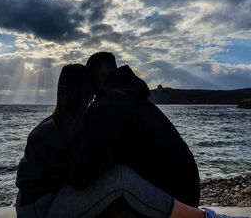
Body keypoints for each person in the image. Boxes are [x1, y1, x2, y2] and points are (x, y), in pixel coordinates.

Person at [16, 63, 247, 218]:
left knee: (115, 178)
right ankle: (203, 217)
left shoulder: (69, 122)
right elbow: (69, 178)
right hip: (38, 209)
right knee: (119, 178)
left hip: (46, 200)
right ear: (87, 91)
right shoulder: (53, 130)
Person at [69, 52, 200, 208]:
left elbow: (83, 175)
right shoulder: (136, 100)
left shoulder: (109, 105)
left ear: (105, 68)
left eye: (90, 76)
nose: (89, 85)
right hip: (188, 193)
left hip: (173, 201)